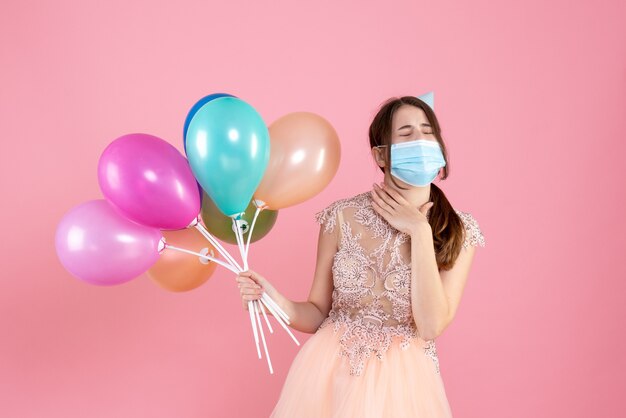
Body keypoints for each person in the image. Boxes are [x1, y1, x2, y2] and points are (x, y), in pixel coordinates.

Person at [236, 95, 486, 417]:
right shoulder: (340, 218)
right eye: (407, 134)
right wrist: (273, 301)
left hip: (404, 390)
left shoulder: (460, 229)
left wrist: (420, 232)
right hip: (329, 378)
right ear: (380, 155)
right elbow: (316, 312)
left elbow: (431, 325)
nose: (421, 141)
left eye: (428, 131)